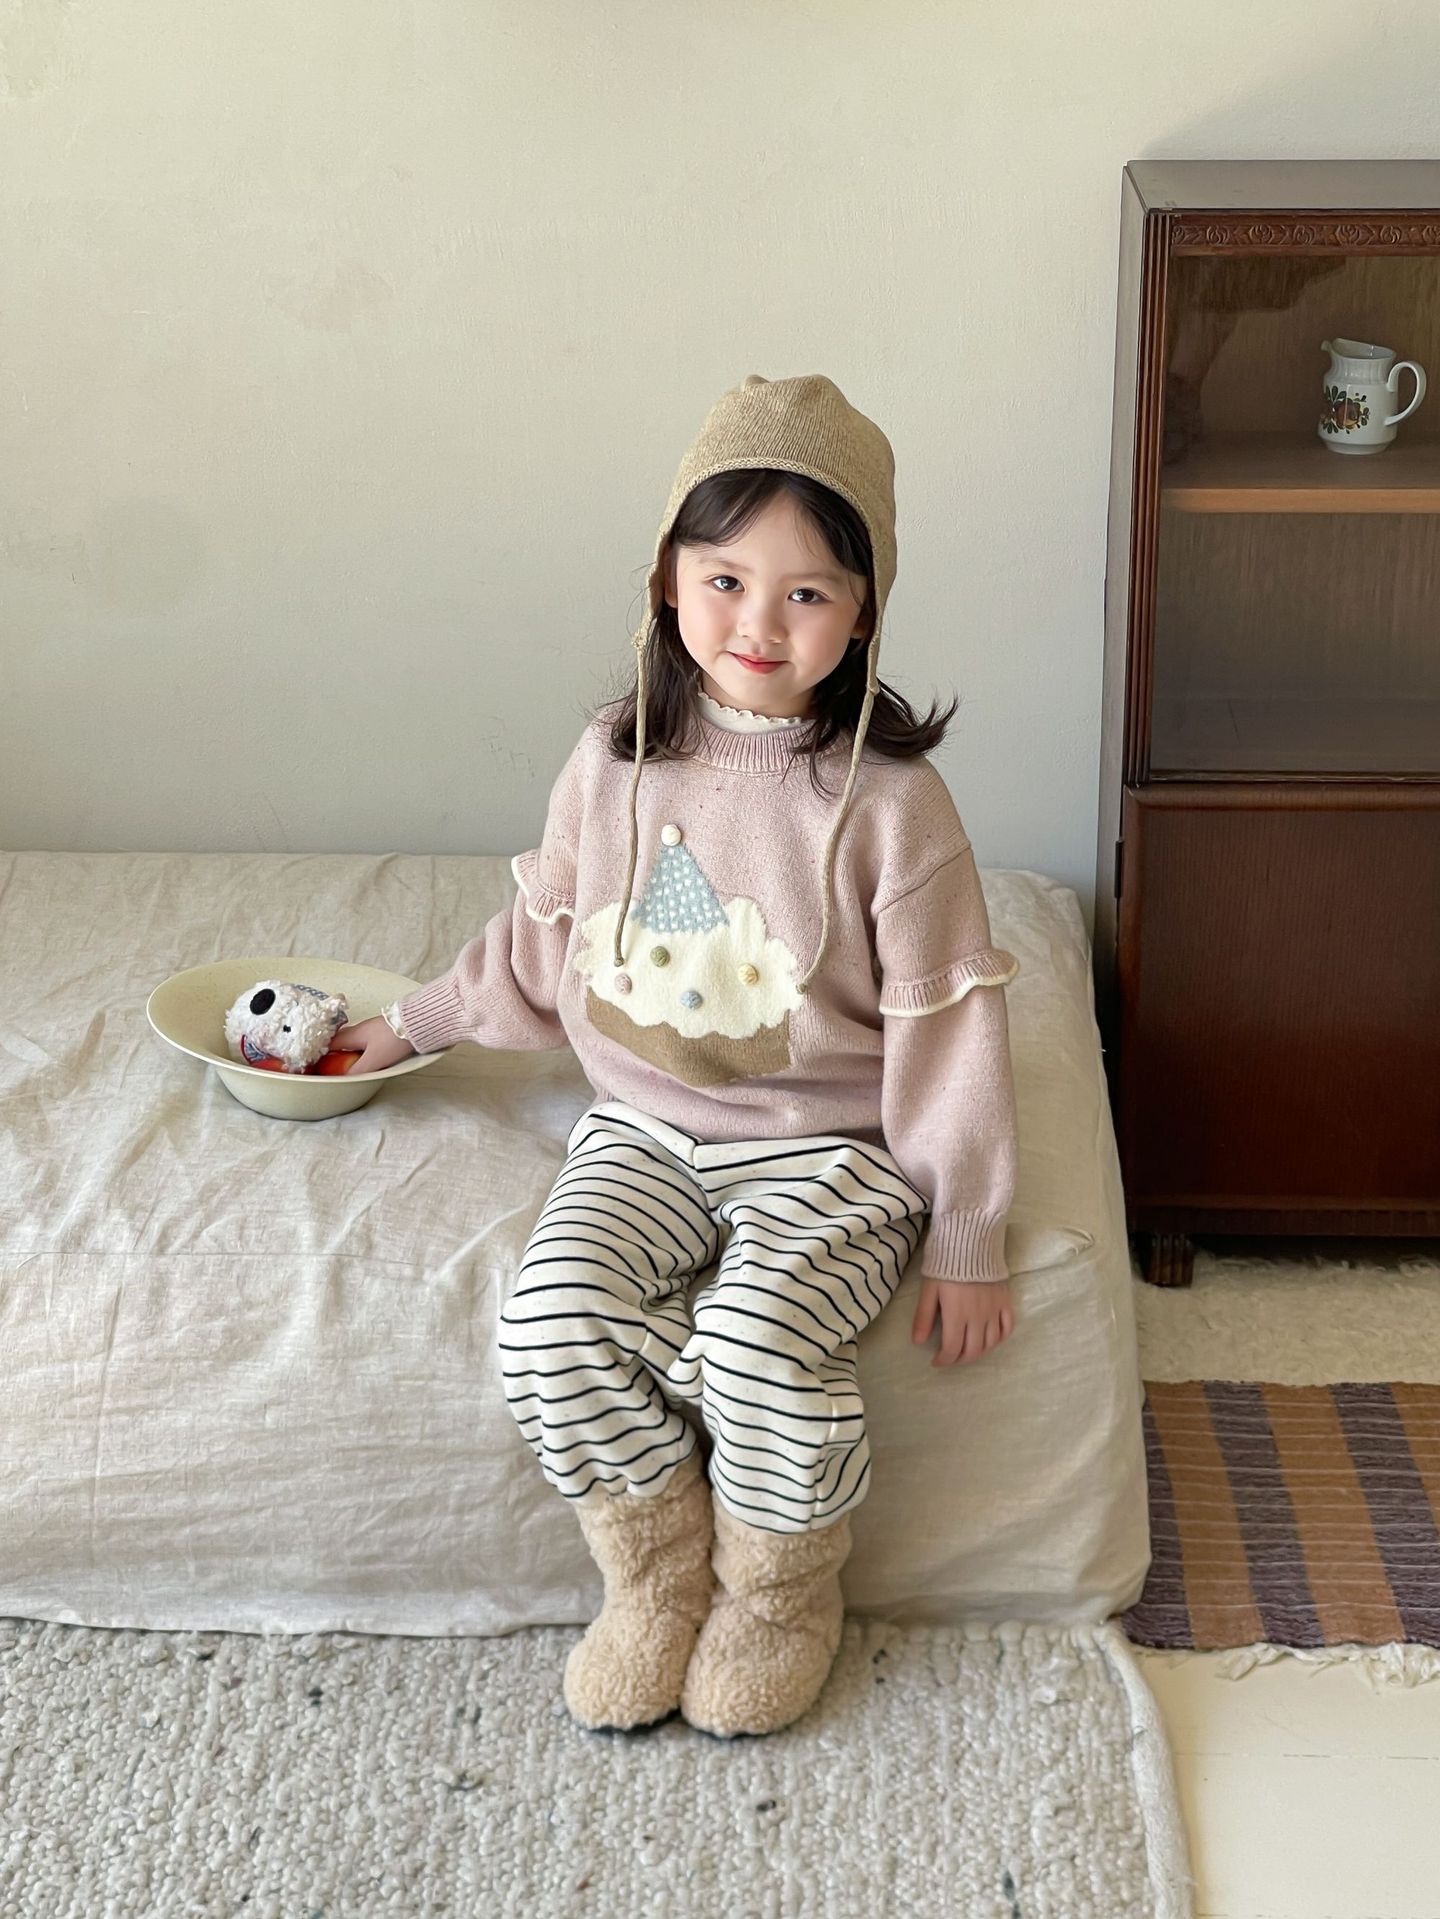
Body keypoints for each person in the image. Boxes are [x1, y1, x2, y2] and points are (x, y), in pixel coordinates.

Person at [333, 373, 1021, 1740]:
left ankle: (778, 1598)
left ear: (863, 612)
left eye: (806, 593)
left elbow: (949, 1021)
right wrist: (415, 1021)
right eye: (725, 580)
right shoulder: (615, 761)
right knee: (547, 1318)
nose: (759, 624)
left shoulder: (896, 805)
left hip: (831, 1149)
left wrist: (967, 1233)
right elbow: (546, 939)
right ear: (664, 579)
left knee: (761, 1338)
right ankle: (654, 1578)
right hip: (642, 1132)